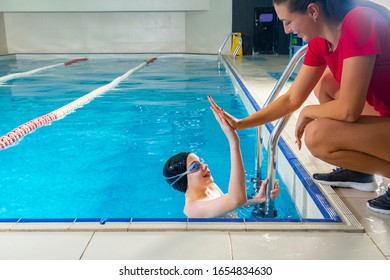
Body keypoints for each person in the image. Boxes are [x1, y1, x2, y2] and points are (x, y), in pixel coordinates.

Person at [209, 0, 390, 215]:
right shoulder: (321, 41)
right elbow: (292, 98)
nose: (286, 30)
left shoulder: (359, 21)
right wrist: (241, 123)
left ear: (313, 11)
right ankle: (360, 172)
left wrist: (308, 111)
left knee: (317, 136)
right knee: (325, 84)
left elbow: (349, 110)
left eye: (288, 21)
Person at [162, 104, 280, 218]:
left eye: (201, 161)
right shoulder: (193, 210)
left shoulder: (209, 186)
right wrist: (233, 141)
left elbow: (230, 203)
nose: (204, 165)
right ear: (183, 179)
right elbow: (236, 199)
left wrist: (256, 200)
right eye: (195, 166)